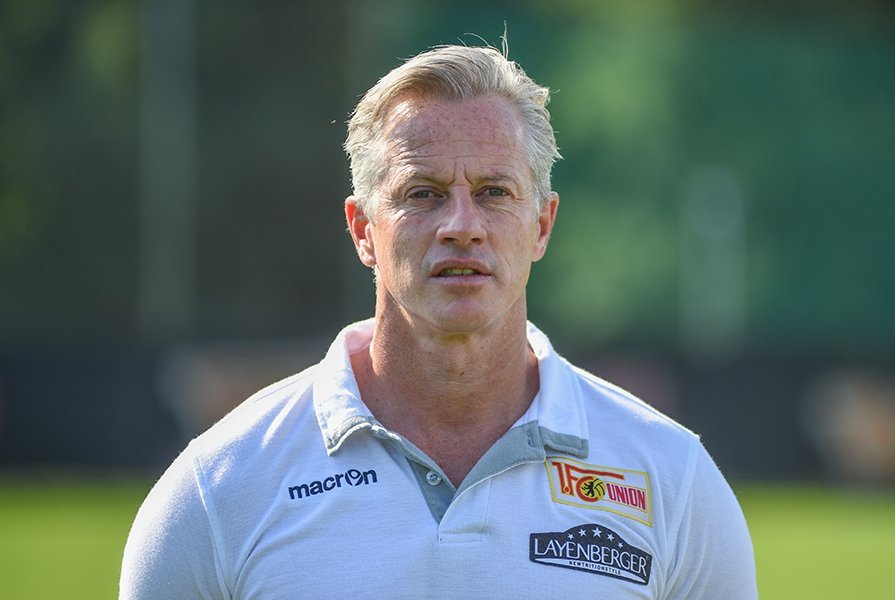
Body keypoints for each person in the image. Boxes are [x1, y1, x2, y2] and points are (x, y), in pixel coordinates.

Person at [120, 43, 757, 599]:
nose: (461, 226)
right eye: (422, 193)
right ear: (363, 231)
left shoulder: (672, 479)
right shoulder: (220, 488)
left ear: (541, 225)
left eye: (493, 192)